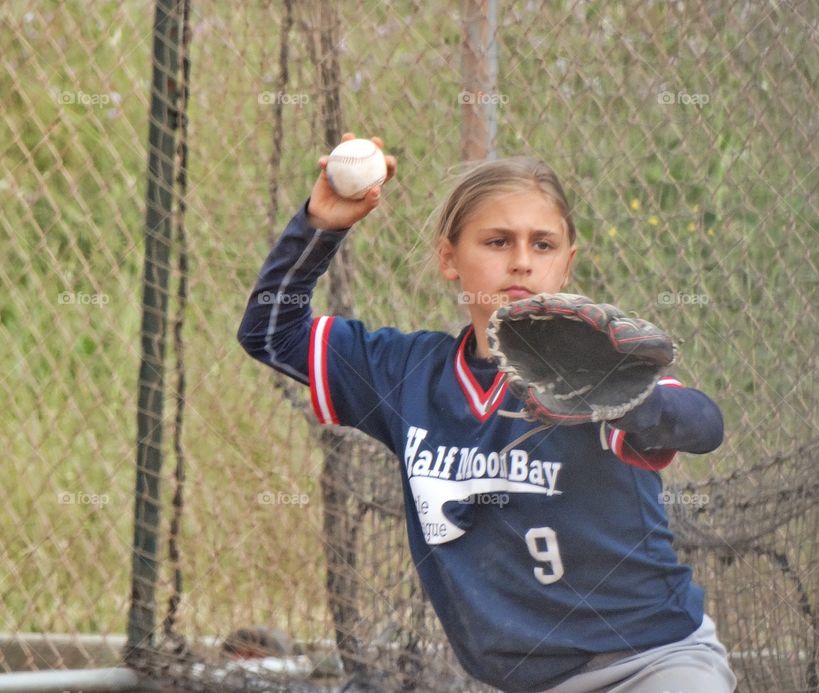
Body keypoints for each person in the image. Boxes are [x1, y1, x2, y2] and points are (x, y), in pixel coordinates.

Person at [238, 134, 737, 693]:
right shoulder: (406, 376)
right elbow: (271, 332)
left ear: (567, 265)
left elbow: (703, 425)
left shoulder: (595, 364)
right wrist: (321, 225)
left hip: (652, 662)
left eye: (543, 245)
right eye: (497, 242)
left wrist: (633, 401)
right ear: (450, 258)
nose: (521, 262)